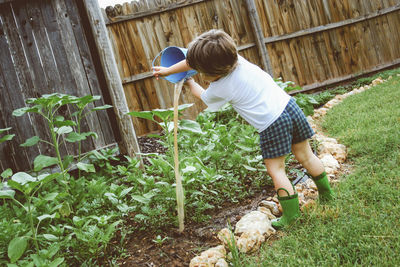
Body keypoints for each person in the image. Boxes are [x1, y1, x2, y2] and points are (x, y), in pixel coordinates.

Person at [152, 29, 335, 229]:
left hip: (271, 123)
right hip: (289, 106)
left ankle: (291, 217)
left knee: (277, 170)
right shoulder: (234, 58)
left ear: (214, 73)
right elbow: (191, 61)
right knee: (306, 156)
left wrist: (189, 80)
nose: (202, 76)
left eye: (203, 74)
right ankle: (327, 195)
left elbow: (203, 95)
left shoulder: (221, 87)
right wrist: (169, 70)